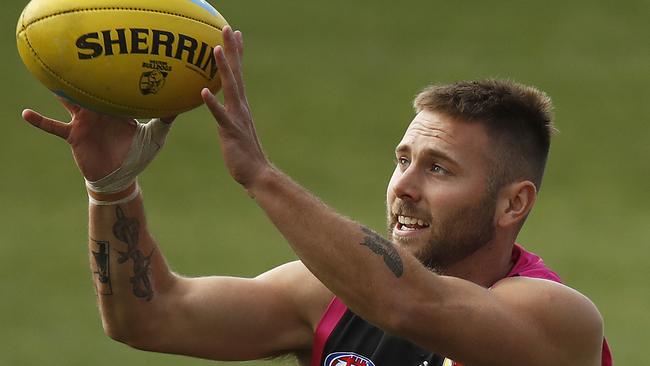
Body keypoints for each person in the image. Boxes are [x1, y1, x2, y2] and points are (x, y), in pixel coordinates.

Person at [22, 26, 612, 366]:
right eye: (403, 160)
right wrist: (111, 186)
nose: (404, 185)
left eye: (439, 168)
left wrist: (261, 174)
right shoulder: (328, 292)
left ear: (514, 204)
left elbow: (411, 307)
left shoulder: (558, 319)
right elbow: (148, 317)